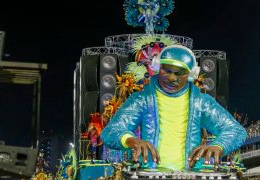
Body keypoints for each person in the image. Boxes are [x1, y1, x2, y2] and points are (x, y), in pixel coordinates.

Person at [101, 45, 247, 171]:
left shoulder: (201, 103)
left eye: (179, 73)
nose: (171, 78)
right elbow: (110, 132)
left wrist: (219, 146)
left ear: (191, 74)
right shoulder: (141, 100)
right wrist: (131, 140)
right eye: (167, 70)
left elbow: (235, 130)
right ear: (158, 67)